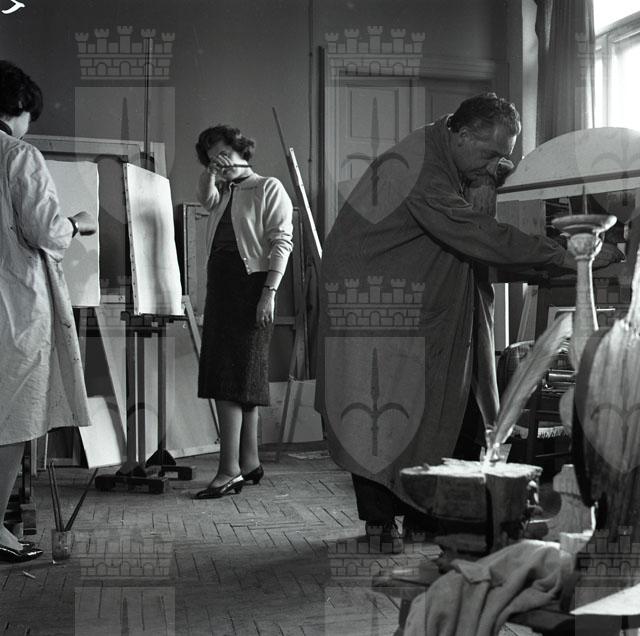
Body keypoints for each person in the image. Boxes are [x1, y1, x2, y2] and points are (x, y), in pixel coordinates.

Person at [315, 93, 580, 553]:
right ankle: (380, 522)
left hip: (422, 297)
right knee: (379, 414)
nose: (497, 165)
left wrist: (486, 177)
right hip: (375, 305)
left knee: (447, 409)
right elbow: (478, 234)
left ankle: (425, 519)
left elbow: (478, 221)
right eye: (491, 154)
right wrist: (564, 254)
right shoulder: (418, 169)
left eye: (504, 156)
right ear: (460, 134)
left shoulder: (448, 150)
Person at [0, 60, 97, 562]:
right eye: (27, 116)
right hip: (13, 308)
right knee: (12, 419)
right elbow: (44, 230)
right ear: (16, 108)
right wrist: (77, 223)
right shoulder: (18, 155)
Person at [193, 125, 293, 499]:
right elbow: (204, 198)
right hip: (221, 288)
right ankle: (249, 463)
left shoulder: (268, 187)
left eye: (224, 155)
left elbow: (282, 242)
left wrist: (269, 293)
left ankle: (228, 470)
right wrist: (211, 174)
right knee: (242, 380)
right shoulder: (223, 193)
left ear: (241, 150)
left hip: (251, 287)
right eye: (211, 159)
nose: (219, 163)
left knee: (231, 380)